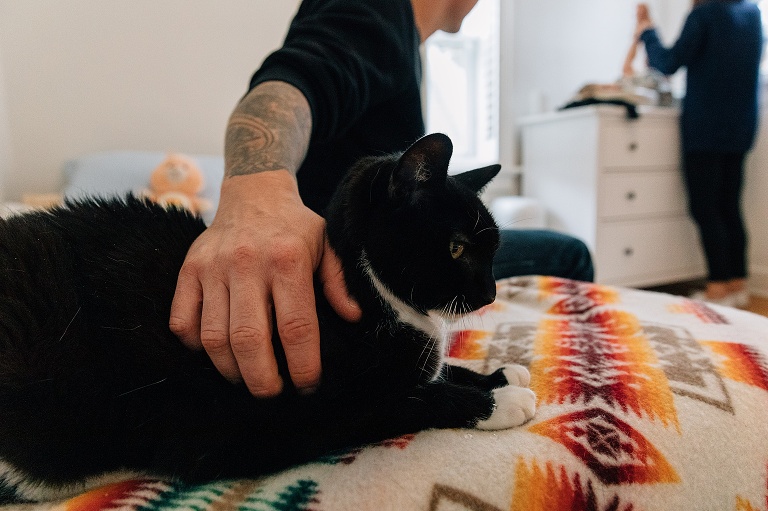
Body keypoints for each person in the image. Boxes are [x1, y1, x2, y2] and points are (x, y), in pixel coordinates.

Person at [169, 0, 594, 399]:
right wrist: (255, 193)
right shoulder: (380, 8)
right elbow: (285, 89)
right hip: (347, 269)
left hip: (374, 257)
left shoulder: (403, 39)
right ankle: (586, 375)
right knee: (570, 254)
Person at [632, 1, 762, 307]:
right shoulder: (751, 13)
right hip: (741, 124)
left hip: (706, 125)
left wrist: (647, 31)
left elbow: (667, 63)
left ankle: (717, 286)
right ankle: (737, 283)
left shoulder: (705, 13)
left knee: (705, 207)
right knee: (729, 205)